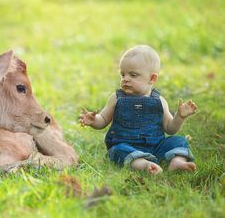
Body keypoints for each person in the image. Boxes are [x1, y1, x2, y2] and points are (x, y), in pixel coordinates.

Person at [79, 45, 197, 174]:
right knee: (117, 150)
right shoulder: (116, 98)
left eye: (133, 75)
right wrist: (93, 120)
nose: (125, 79)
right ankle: (144, 165)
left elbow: (170, 129)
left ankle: (177, 162)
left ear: (152, 78)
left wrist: (180, 117)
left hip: (156, 147)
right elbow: (102, 120)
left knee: (179, 141)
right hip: (127, 146)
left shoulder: (160, 101)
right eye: (122, 74)